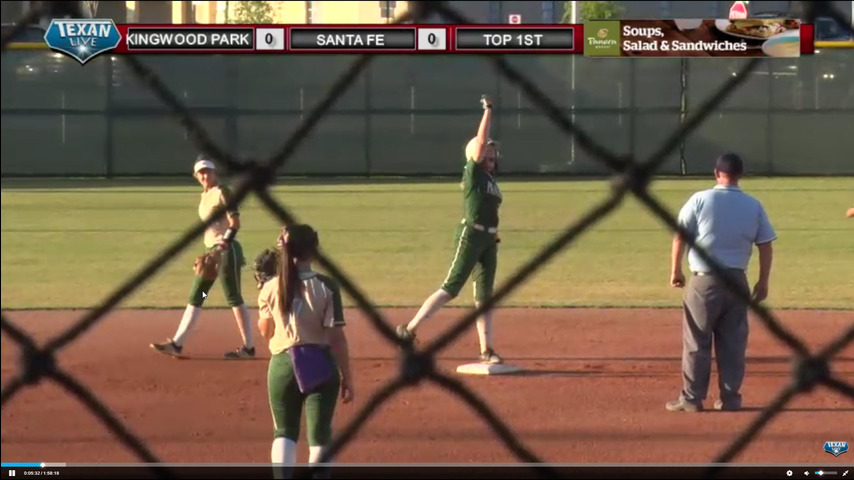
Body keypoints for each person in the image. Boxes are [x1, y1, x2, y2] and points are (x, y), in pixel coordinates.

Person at [396, 94, 504, 365]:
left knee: (484, 297)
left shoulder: (491, 180)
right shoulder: (473, 173)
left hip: (488, 240)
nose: (491, 153)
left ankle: (486, 349)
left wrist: (494, 232)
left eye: (493, 151)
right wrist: (488, 111)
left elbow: (491, 209)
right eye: (487, 151)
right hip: (470, 236)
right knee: (452, 287)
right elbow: (479, 145)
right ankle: (408, 330)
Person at [667, 153, 776, 412]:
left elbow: (679, 237)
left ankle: (692, 399)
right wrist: (762, 282)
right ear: (740, 175)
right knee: (733, 342)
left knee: (697, 341)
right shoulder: (753, 204)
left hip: (705, 281)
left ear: (717, 173)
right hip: (738, 281)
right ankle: (730, 399)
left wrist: (675, 271)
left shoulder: (700, 199)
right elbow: (765, 244)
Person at [258, 224, 354, 477]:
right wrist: (347, 377)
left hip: (282, 366)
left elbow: (265, 331)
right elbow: (337, 337)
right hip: (320, 366)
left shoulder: (270, 288)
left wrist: (263, 293)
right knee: (320, 435)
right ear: (315, 251)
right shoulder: (327, 286)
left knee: (284, 432)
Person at [150, 157, 255, 359]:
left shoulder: (222, 192)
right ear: (196, 175)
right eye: (201, 172)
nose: (205, 175)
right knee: (200, 294)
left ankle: (248, 347)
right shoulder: (205, 196)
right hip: (212, 253)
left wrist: (221, 248)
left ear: (215, 173)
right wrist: (212, 251)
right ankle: (177, 344)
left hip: (227, 251)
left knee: (233, 297)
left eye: (208, 171)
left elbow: (235, 224)